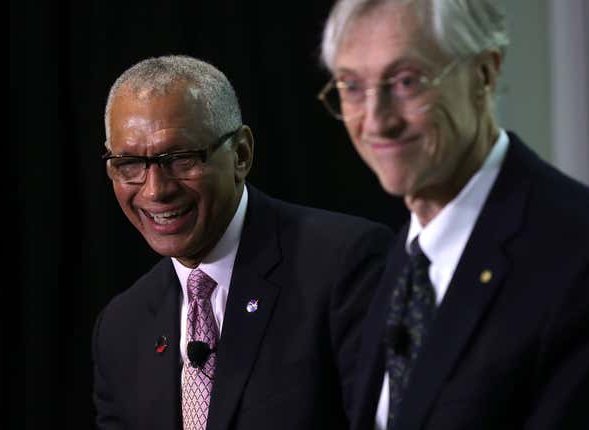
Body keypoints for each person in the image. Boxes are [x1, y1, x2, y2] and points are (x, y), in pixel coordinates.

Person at [317, 1, 589, 429]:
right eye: (352, 87)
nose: (376, 121)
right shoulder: (404, 257)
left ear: (485, 73)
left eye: (407, 81)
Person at [92, 55, 394, 430]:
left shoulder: (345, 265)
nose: (156, 190)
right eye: (130, 164)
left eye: (182, 159)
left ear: (241, 154)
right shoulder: (121, 328)